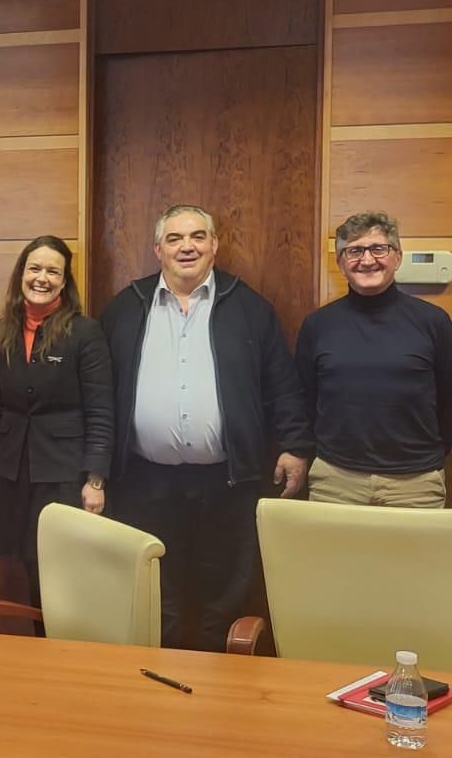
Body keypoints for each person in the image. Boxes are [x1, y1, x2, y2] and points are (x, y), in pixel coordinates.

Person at [101, 204, 312, 652]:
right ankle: (160, 687)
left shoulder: (249, 307)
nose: (187, 247)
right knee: (157, 587)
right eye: (175, 239)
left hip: (228, 481)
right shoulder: (126, 306)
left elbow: (282, 384)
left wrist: (294, 445)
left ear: (215, 245)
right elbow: (101, 394)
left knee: (226, 590)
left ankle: (223, 689)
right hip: (143, 481)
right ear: (157, 248)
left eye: (198, 236)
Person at [0, 235, 113, 605]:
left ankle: (63, 654)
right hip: (12, 472)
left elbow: (101, 411)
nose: (42, 278)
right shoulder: (3, 331)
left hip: (63, 475)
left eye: (53, 271)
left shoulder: (85, 333)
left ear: (64, 282)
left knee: (59, 570)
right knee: (21, 565)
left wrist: (95, 480)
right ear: (21, 273)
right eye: (35, 268)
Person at [294, 211, 452, 507]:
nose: (367, 260)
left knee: (413, 556)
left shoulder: (433, 322)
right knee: (335, 556)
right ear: (340, 263)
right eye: (354, 251)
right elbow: (304, 401)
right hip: (336, 481)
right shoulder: (317, 325)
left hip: (415, 484)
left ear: (397, 257)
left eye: (378, 248)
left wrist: (423, 457)